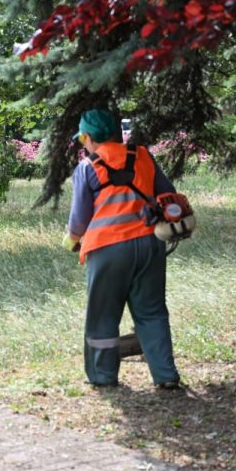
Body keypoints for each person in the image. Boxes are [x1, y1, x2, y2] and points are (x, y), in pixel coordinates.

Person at [63, 109, 181, 389]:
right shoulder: (142, 155)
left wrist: (72, 238)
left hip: (108, 249)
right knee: (152, 312)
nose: (83, 143)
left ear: (88, 137)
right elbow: (167, 192)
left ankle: (103, 377)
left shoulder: (88, 167)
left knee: (103, 314)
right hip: (150, 244)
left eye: (82, 138)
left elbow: (80, 217)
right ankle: (166, 376)